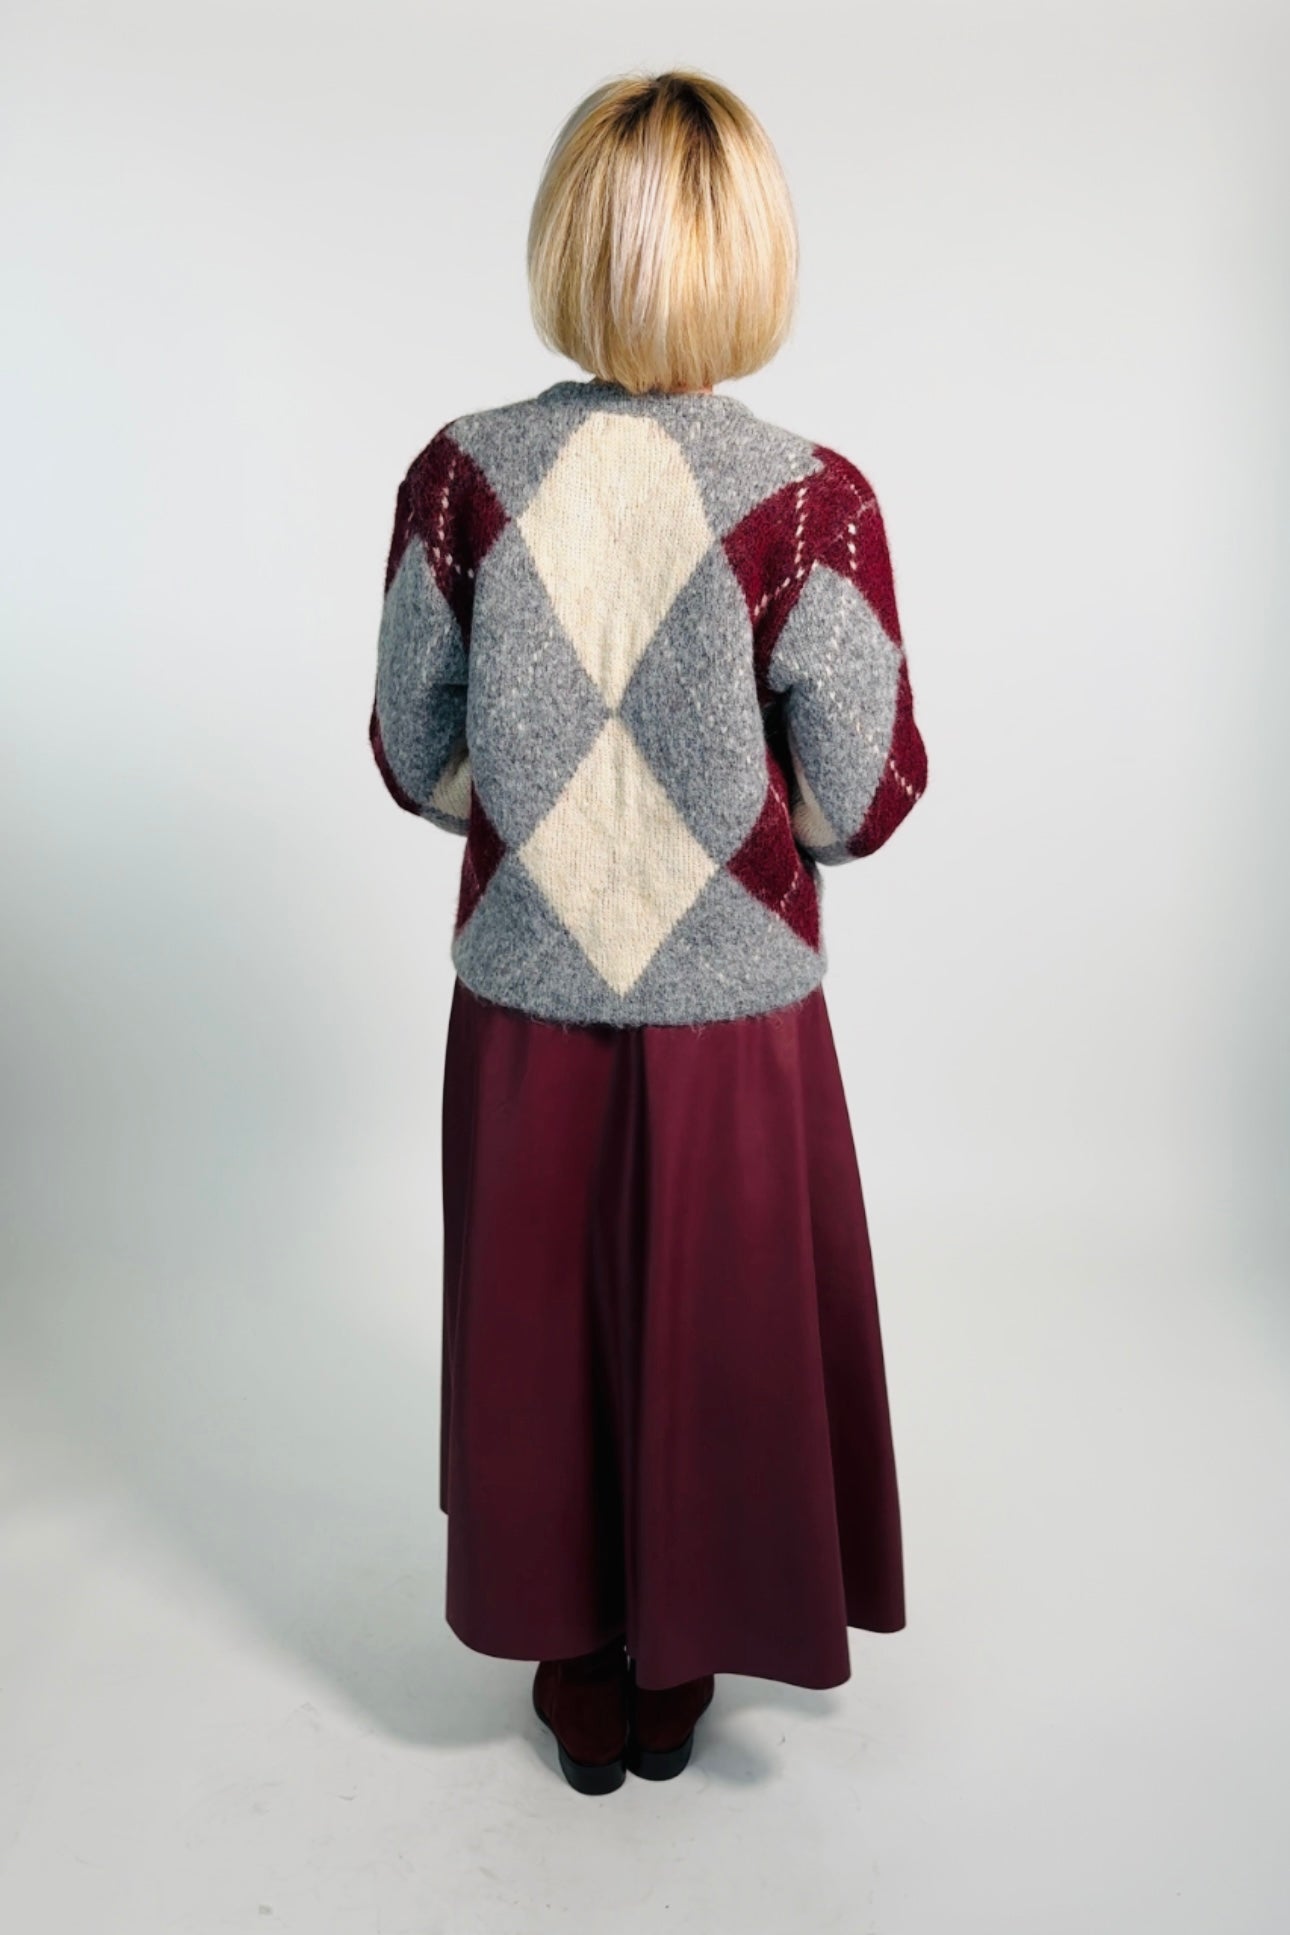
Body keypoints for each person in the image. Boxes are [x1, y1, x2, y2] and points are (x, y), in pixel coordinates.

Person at [368, 67, 930, 1797]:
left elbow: (410, 751)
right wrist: (726, 826)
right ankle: (684, 1649)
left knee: (538, 1325)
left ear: (565, 242)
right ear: (751, 252)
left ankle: (572, 1652)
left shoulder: (460, 476)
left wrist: (551, 822)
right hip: (736, 1005)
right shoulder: (812, 495)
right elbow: (862, 796)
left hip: (523, 986)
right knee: (724, 1321)